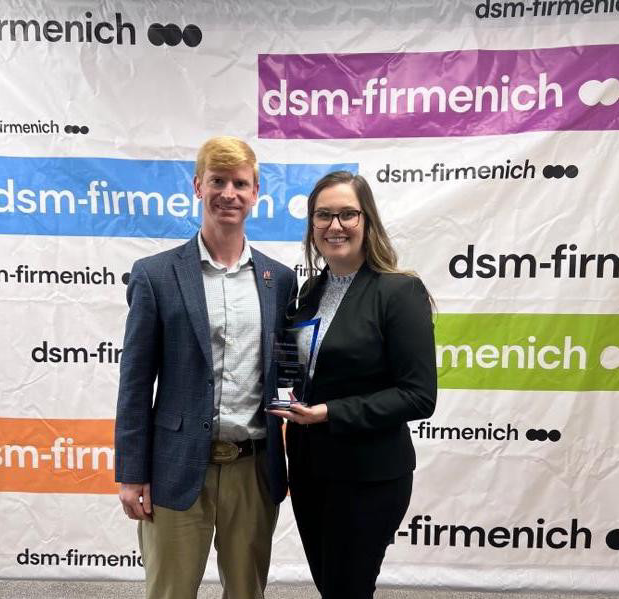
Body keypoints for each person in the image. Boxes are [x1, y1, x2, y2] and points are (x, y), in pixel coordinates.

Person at [115, 136, 297, 599]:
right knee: (169, 593)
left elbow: (285, 373)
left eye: (240, 183)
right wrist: (131, 472)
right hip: (174, 468)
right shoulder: (155, 274)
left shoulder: (280, 280)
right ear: (198, 186)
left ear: (256, 192)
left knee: (246, 593)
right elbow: (135, 382)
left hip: (253, 470)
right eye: (218, 181)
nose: (228, 193)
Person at [269, 171, 436, 599]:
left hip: (368, 476)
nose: (334, 225)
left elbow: (418, 395)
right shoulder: (309, 292)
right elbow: (301, 371)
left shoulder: (399, 292)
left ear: (367, 221)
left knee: (348, 590)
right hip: (309, 470)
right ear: (312, 224)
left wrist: (329, 412)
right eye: (323, 215)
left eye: (347, 214)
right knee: (332, 587)